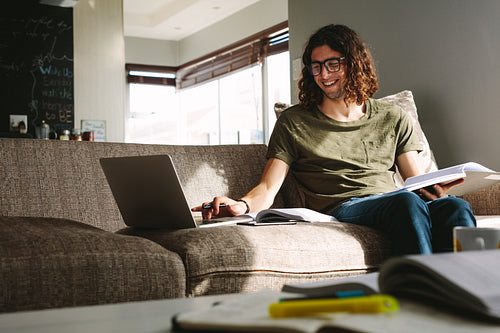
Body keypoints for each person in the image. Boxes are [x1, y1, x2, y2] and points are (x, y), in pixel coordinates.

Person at [192, 24, 476, 256]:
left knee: (455, 207)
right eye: (315, 66)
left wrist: (438, 189)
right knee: (404, 203)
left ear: (354, 64)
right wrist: (241, 205)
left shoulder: (393, 117)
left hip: (396, 200)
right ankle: (424, 296)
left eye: (332, 64)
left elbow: (416, 183)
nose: (323, 75)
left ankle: (472, 298)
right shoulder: (294, 122)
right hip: (346, 207)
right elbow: (267, 187)